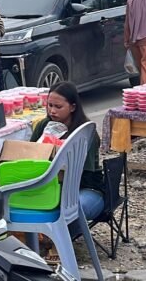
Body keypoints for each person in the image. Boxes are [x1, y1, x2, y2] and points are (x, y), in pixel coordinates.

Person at [29, 82, 104, 232]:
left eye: (58, 107)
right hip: (50, 186)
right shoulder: (44, 126)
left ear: (72, 107)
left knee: (72, 207)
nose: (52, 111)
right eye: (49, 105)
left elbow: (85, 173)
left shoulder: (85, 132)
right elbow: (30, 156)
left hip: (86, 189)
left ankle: (59, 245)